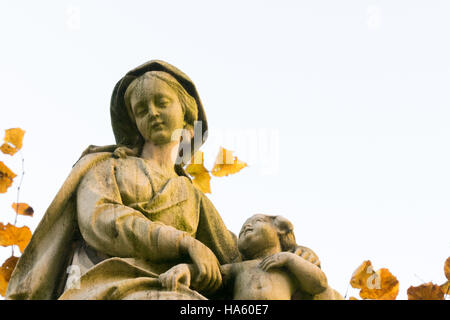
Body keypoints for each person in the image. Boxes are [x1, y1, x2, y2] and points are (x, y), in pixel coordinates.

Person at [6, 60, 320, 300]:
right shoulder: (105, 167)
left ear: (187, 114)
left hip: (179, 289)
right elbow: (102, 222)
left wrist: (291, 254)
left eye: (162, 103)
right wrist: (184, 242)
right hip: (109, 284)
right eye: (141, 109)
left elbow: (237, 258)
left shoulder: (191, 194)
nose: (152, 113)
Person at [159, 214, 343, 300]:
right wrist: (186, 269)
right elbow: (213, 273)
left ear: (280, 228)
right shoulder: (239, 268)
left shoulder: (288, 266)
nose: (247, 226)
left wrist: (291, 259)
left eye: (257, 221)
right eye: (244, 225)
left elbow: (319, 284)